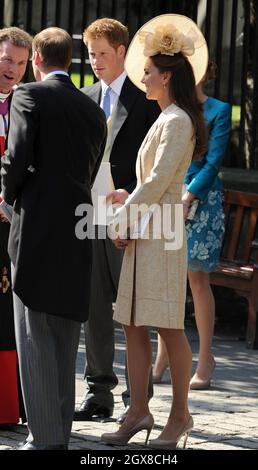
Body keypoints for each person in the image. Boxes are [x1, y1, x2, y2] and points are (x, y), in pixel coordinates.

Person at [101, 14, 208, 449]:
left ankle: (180, 416)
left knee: (166, 326)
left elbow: (158, 184)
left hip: (160, 235)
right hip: (148, 229)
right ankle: (139, 411)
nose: (142, 77)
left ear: (166, 77)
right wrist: (128, 200)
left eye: (147, 71)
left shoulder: (178, 120)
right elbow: (151, 182)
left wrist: (124, 217)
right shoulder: (167, 117)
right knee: (131, 322)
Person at [0, 27, 106, 450]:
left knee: (33, 336)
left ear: (38, 58)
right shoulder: (93, 109)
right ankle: (58, 433)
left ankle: (44, 439)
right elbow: (91, 169)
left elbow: (16, 158)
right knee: (64, 337)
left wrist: (8, 196)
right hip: (77, 234)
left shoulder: (30, 97)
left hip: (35, 232)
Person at [74, 18, 160, 424]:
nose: (95, 61)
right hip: (88, 216)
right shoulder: (85, 96)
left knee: (131, 308)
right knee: (93, 306)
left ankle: (137, 397)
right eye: (90, 54)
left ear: (123, 51)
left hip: (129, 217)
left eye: (102, 54)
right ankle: (99, 393)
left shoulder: (145, 98)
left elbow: (153, 160)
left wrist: (130, 198)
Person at [152, 61, 231, 389]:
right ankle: (163, 356)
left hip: (203, 201)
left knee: (197, 280)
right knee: (168, 278)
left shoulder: (219, 110)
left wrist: (188, 197)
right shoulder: (173, 109)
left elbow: (213, 162)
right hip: (172, 197)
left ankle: (206, 359)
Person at [0, 26, 32, 427]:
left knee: (5, 315)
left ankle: (8, 407)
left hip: (9, 224)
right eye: (7, 59)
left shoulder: (25, 104)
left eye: (22, 63)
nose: (13, 70)